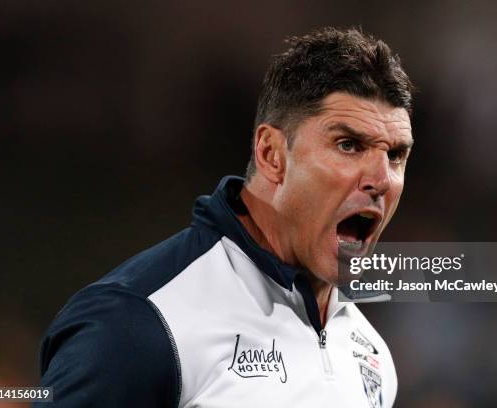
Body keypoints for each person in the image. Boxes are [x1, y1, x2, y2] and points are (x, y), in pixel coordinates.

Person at [35, 26, 414, 408]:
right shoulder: (138, 323)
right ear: (271, 155)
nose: (382, 180)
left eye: (395, 155)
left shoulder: (371, 353)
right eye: (348, 145)